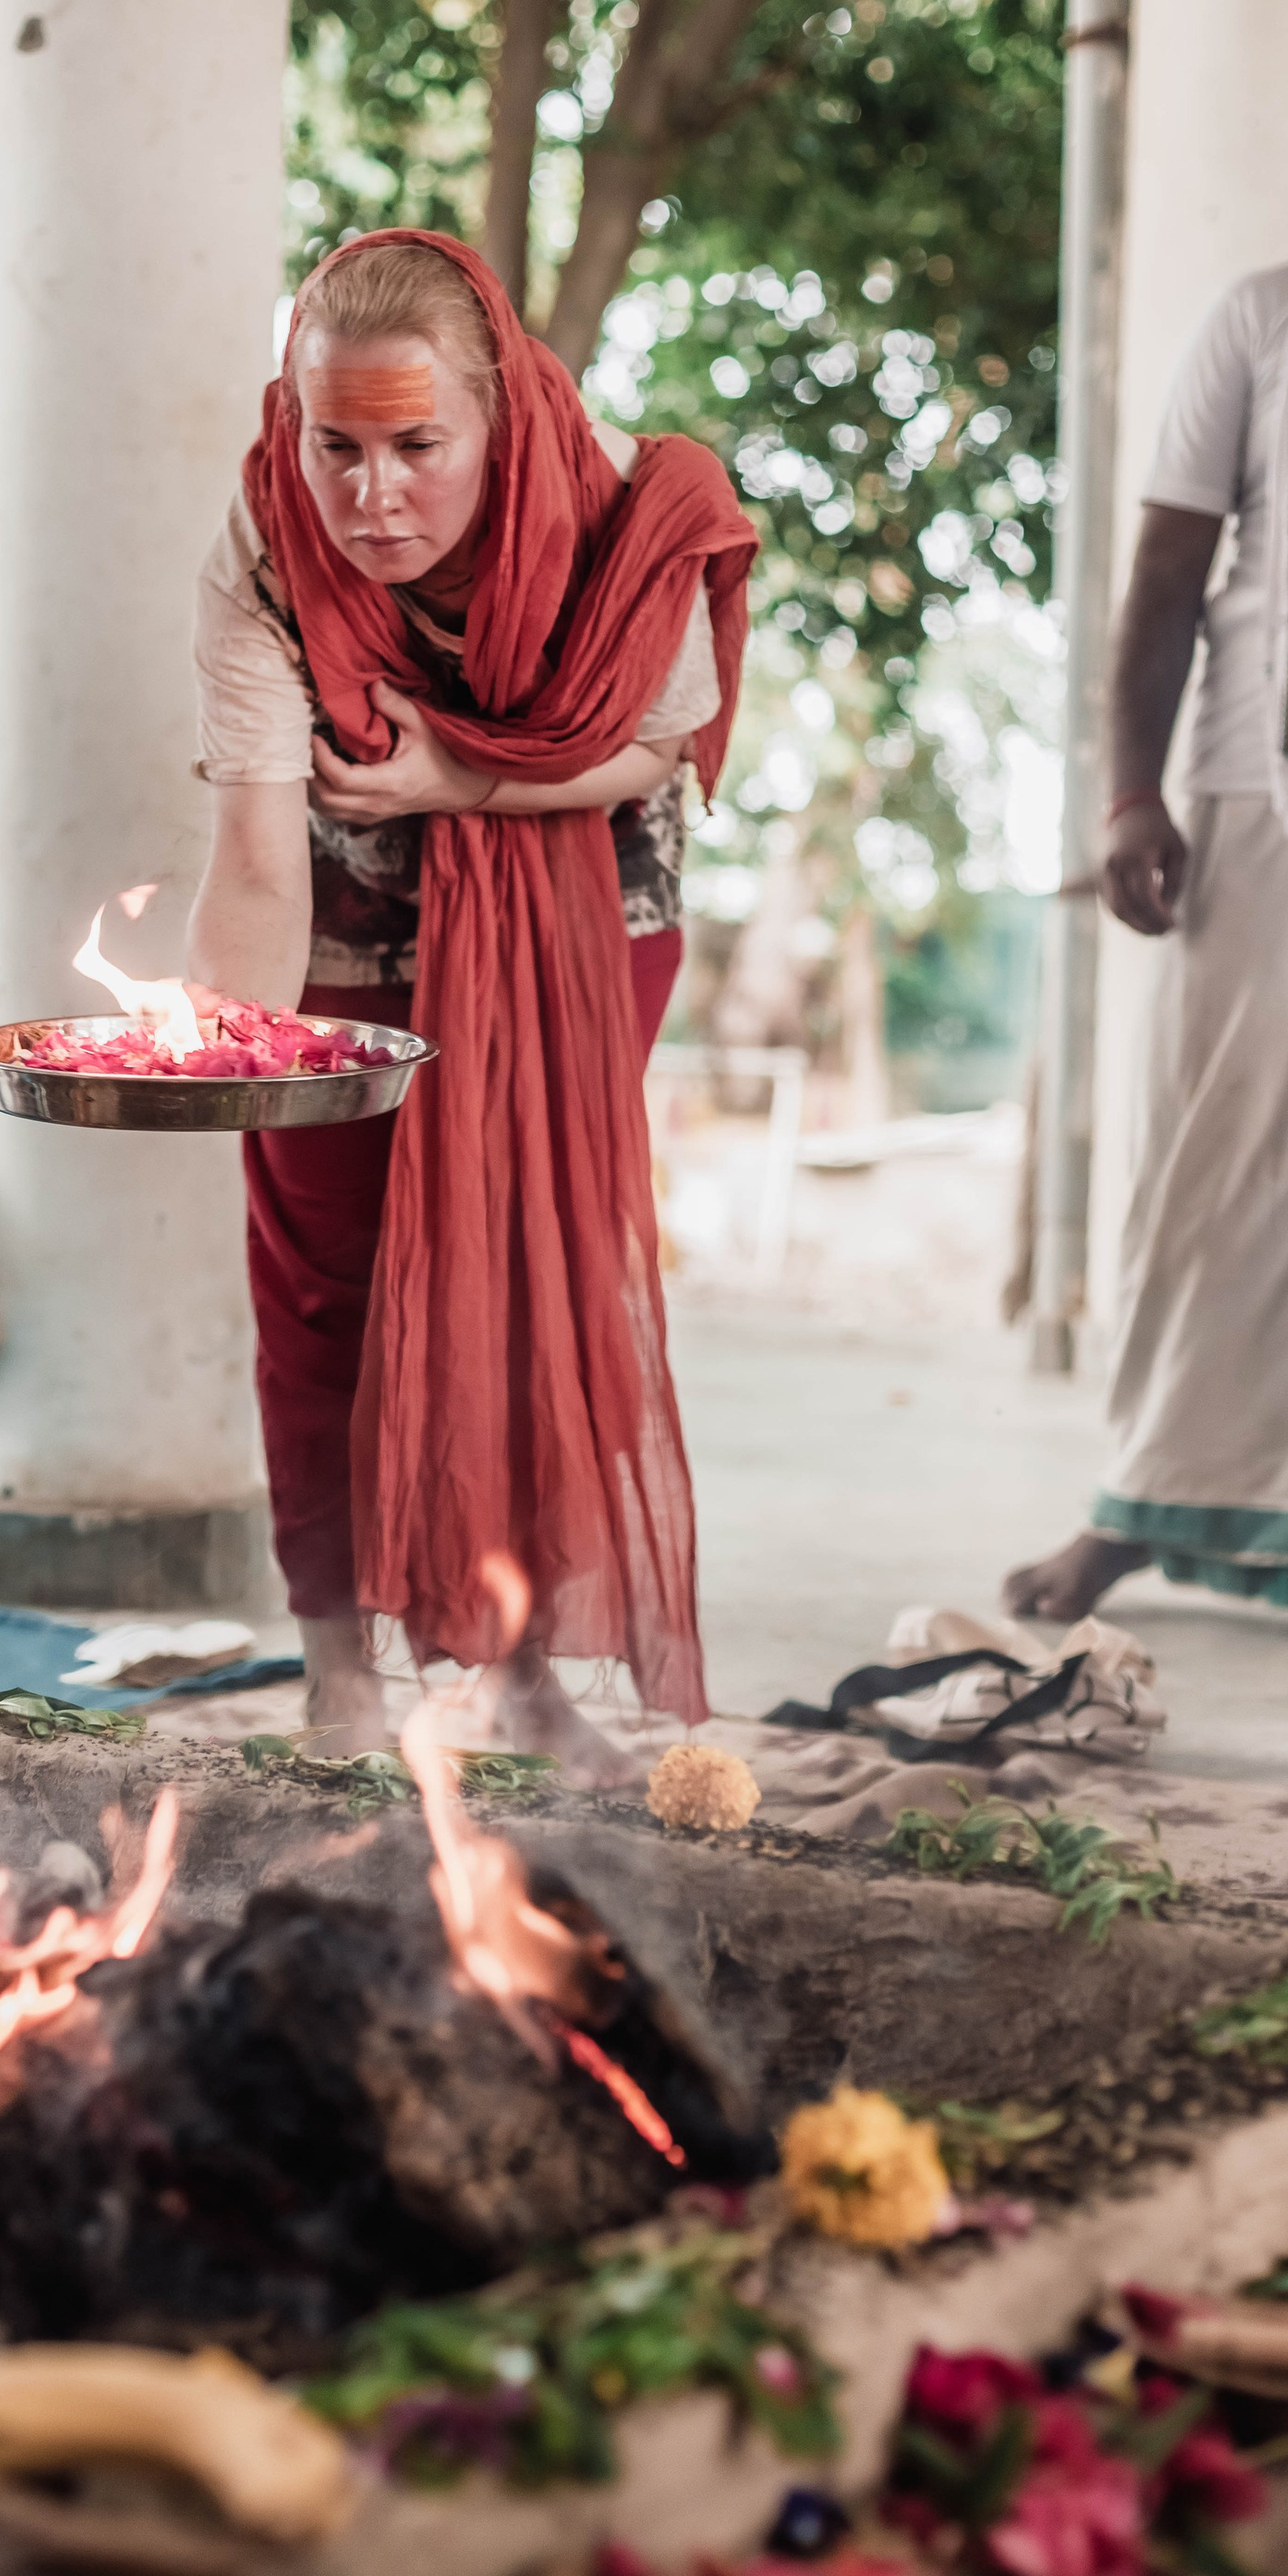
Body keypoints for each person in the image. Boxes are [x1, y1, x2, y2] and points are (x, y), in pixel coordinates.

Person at [187, 231, 756, 1764]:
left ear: (497, 425)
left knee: (524, 1268)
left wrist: (462, 779)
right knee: (319, 1280)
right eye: (337, 445)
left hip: (585, 911)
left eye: (416, 447)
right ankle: (336, 1664)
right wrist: (213, 1051)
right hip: (346, 910)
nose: (370, 496)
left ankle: (518, 1667)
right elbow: (252, 846)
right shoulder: (264, 538)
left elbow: (654, 752)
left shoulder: (640, 516)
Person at [1005, 18, 1288, 1635]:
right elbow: (1164, 577)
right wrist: (1124, 790)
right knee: (1219, 1164)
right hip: (1264, 790)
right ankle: (1138, 1502)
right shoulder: (1259, 321)